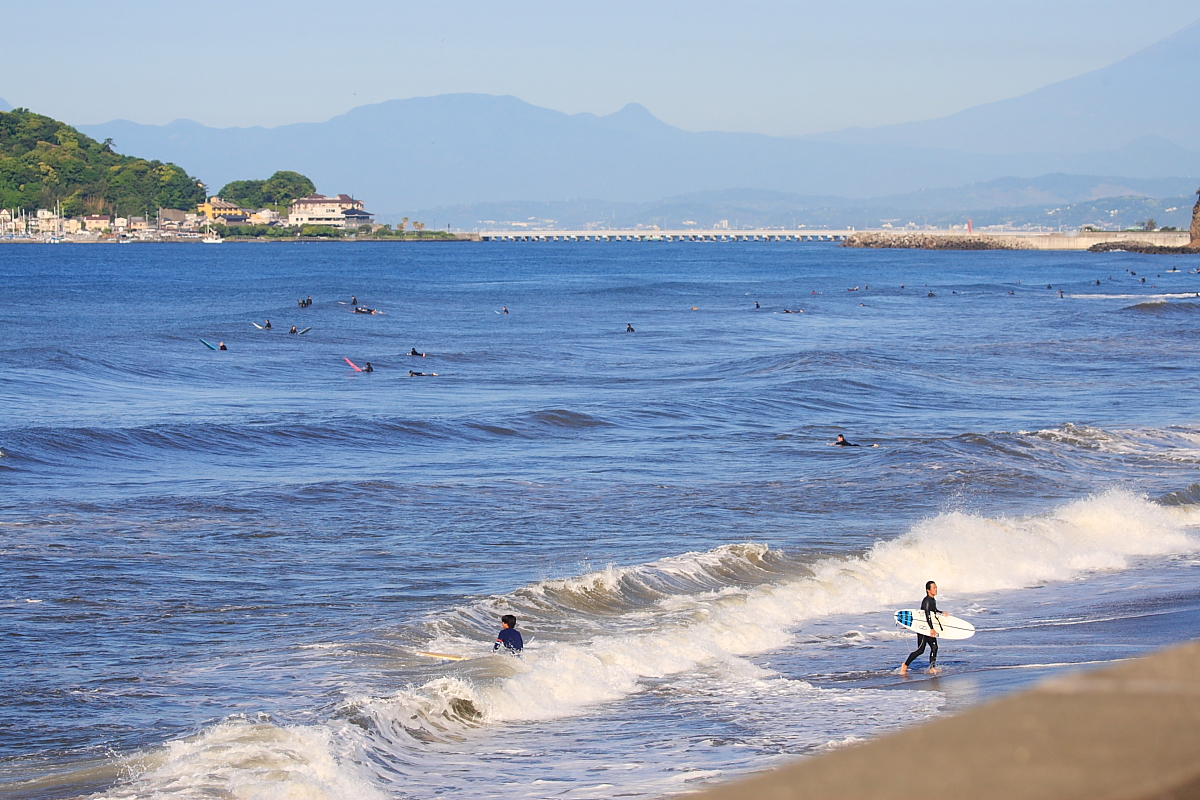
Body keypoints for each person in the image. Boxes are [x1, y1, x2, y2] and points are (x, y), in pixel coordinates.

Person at [901, 581, 946, 675]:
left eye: (936, 587)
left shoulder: (932, 600)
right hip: (923, 629)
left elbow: (933, 611)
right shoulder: (927, 601)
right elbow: (927, 615)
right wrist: (931, 629)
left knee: (934, 647)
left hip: (929, 627)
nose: (936, 589)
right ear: (928, 590)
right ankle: (905, 665)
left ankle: (932, 668)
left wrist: (941, 612)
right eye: (934, 588)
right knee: (920, 650)